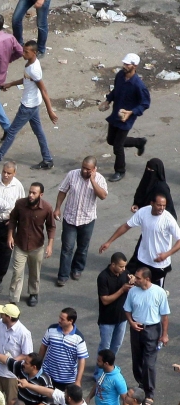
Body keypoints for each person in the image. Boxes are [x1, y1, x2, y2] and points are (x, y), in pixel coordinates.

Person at [0, 41, 57, 172]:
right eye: (23, 51)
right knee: (39, 132)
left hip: (28, 106)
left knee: (11, 132)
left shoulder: (34, 69)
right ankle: (48, 160)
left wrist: (50, 111)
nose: (23, 54)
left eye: (26, 52)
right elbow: (26, 79)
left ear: (34, 53)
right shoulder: (31, 64)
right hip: (33, 104)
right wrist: (10, 84)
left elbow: (43, 90)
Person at [101, 198, 180, 288]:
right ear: (152, 203)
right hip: (142, 259)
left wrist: (167, 254)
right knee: (136, 286)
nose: (162, 208)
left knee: (154, 291)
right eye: (159, 205)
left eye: (164, 205)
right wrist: (109, 242)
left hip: (159, 265)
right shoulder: (143, 212)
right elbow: (126, 226)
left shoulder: (168, 219)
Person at [54, 157, 108, 286]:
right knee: (67, 248)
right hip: (70, 218)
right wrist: (57, 208)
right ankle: (63, 275)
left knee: (83, 247)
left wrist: (92, 180)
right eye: (83, 167)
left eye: (88, 169)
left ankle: (77, 268)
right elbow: (62, 191)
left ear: (94, 169)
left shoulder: (99, 179)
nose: (84, 171)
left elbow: (103, 196)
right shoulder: (72, 174)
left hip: (87, 219)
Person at [122, 268, 171, 405]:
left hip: (152, 329)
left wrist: (164, 335)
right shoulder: (133, 291)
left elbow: (164, 316)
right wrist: (131, 322)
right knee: (137, 360)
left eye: (138, 278)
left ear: (147, 279)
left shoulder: (159, 292)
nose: (135, 280)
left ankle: (149, 394)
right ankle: (142, 384)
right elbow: (127, 309)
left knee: (149, 363)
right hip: (136, 329)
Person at [99, 54, 151, 182]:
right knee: (111, 140)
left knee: (118, 146)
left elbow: (145, 103)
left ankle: (120, 170)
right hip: (116, 114)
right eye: (124, 63)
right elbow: (115, 91)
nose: (124, 66)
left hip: (127, 118)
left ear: (135, 66)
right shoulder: (120, 76)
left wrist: (131, 112)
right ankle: (139, 142)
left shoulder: (138, 85)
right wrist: (108, 101)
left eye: (127, 64)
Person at [5, 183, 56, 307]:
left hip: (36, 246)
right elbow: (12, 219)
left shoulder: (47, 208)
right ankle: (13, 298)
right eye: (30, 192)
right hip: (20, 245)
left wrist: (50, 245)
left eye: (34, 193)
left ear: (41, 195)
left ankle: (33, 293)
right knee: (17, 273)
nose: (31, 195)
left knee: (34, 272)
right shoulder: (20, 204)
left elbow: (51, 227)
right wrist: (10, 236)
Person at [0, 162, 27, 290]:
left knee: (5, 254)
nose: (5, 175)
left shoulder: (18, 186)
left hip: (7, 225)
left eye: (9, 173)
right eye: (4, 172)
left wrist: (14, 219)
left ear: (14, 173)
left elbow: (22, 206)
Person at [96, 254, 134, 363]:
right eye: (121, 266)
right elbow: (105, 300)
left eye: (125, 266)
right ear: (113, 264)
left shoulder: (124, 273)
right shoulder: (103, 277)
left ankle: (109, 366)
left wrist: (133, 279)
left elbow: (131, 278)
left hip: (122, 318)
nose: (124, 269)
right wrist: (122, 290)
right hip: (107, 319)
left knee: (117, 345)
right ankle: (99, 370)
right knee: (105, 347)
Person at [38, 308, 88, 390]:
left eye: (62, 319)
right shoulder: (51, 329)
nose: (59, 320)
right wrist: (38, 364)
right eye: (59, 317)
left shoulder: (78, 338)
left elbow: (82, 359)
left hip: (67, 380)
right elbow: (43, 346)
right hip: (48, 375)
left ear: (70, 321)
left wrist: (78, 380)